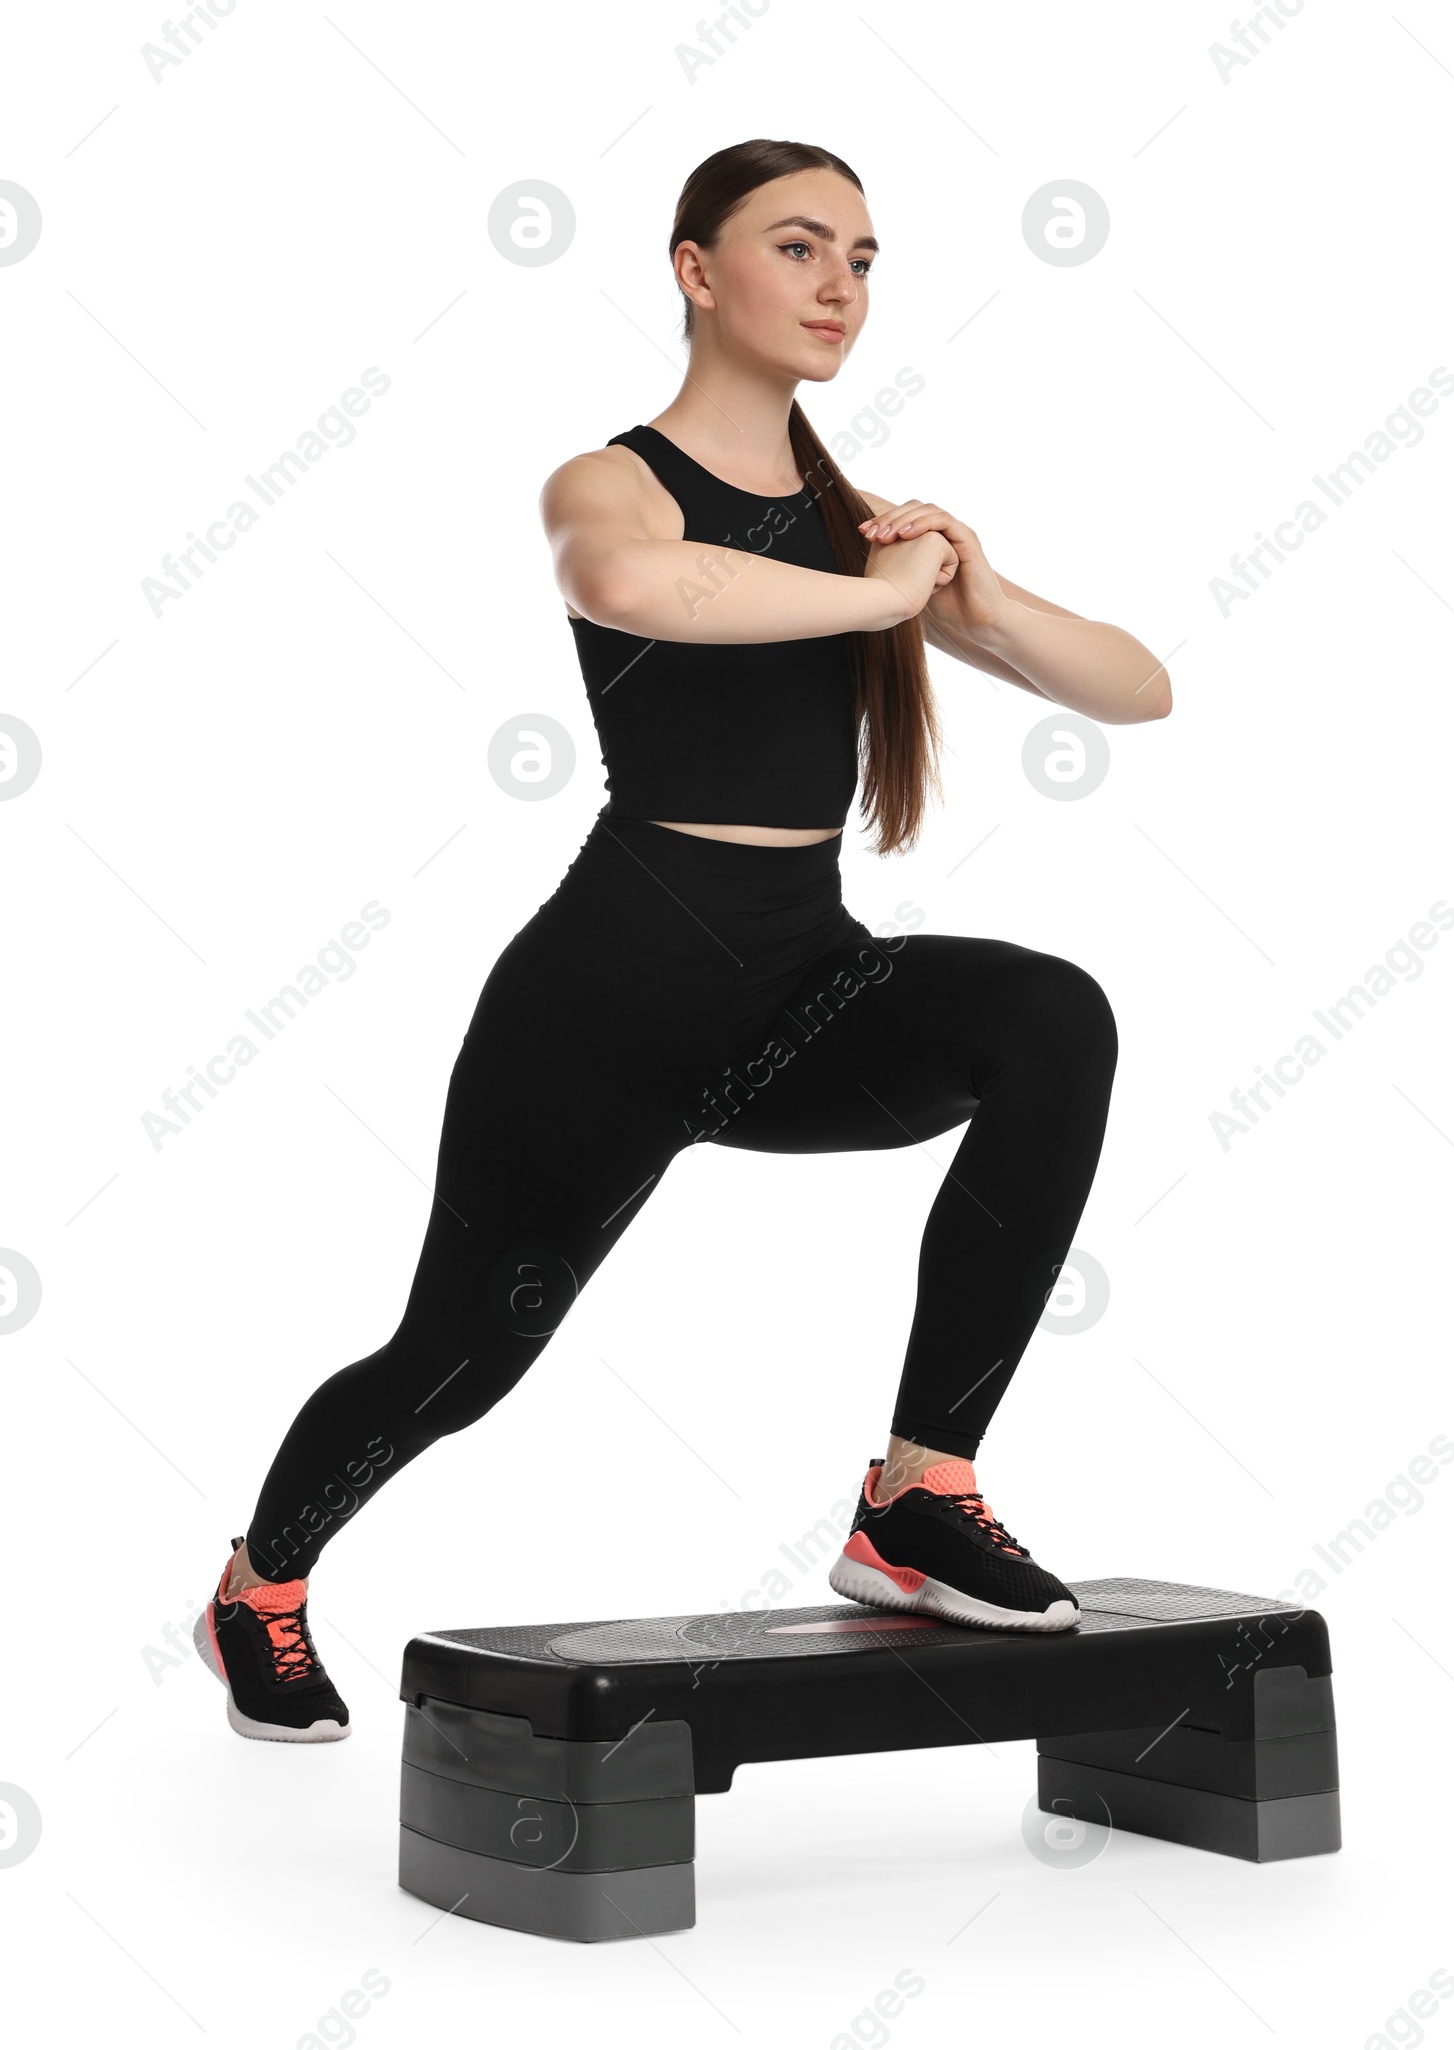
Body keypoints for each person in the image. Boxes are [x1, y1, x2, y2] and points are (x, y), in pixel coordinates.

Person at [194, 137, 1171, 1743]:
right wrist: (881, 599)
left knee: (1052, 1016)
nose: (840, 285)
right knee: (457, 1360)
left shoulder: (864, 526)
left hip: (798, 989)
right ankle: (263, 1583)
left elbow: (1139, 688)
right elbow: (639, 582)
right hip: (607, 1005)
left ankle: (915, 1494)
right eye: (799, 248)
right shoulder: (615, 480)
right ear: (696, 271)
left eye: (863, 256)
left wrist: (976, 590)